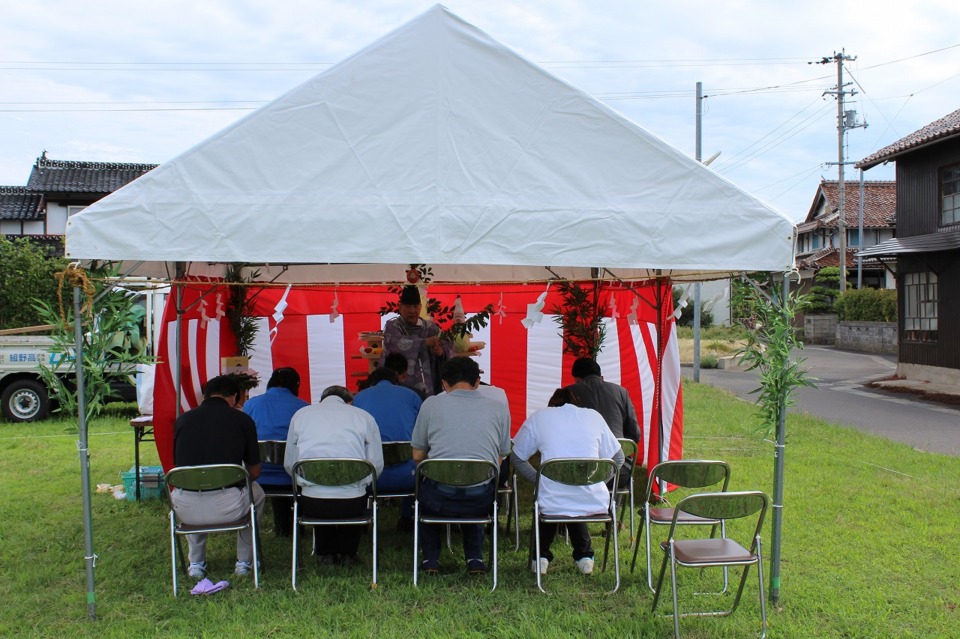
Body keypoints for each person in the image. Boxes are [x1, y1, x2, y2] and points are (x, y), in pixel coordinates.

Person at [411, 357, 511, 575]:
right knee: (476, 479)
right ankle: (475, 559)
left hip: (438, 498)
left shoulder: (431, 404)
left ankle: (430, 559)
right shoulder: (498, 408)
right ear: (477, 382)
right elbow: (501, 454)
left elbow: (418, 455)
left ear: (444, 384)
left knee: (424, 482)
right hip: (481, 499)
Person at [511, 386, 624, 576]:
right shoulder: (593, 416)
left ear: (552, 406)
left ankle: (540, 557)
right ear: (576, 404)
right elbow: (619, 459)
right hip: (593, 501)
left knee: (553, 499)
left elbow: (516, 457)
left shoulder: (540, 417)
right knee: (572, 497)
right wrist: (595, 481)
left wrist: (539, 480)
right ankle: (584, 557)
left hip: (552, 500)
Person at [171, 374, 265, 578]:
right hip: (228, 506)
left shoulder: (182, 420)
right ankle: (244, 561)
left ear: (204, 396)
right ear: (235, 397)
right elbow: (255, 472)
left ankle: (196, 563)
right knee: (257, 494)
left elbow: (180, 467)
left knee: (191, 484)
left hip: (186, 509)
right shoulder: (243, 420)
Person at [284, 385, 384, 567]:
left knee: (319, 491)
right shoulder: (363, 417)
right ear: (348, 402)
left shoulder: (301, 416)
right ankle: (349, 554)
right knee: (353, 492)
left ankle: (326, 554)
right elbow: (376, 465)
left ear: (322, 400)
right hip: (352, 503)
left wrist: (305, 483)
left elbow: (290, 464)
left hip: (313, 503)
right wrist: (361, 482)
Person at [353, 367, 423, 530]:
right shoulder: (411, 395)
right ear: (397, 381)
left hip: (369, 478)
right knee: (418, 458)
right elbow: (422, 432)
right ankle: (408, 516)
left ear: (371, 383)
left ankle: (363, 514)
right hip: (408, 478)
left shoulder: (359, 398)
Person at [242, 367, 309, 537]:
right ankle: (294, 526)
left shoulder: (250, 404)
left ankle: (282, 527)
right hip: (293, 475)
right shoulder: (303, 408)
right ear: (296, 386)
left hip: (258, 474)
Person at [566, 357, 640, 488]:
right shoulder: (621, 392)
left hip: (581, 471)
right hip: (619, 471)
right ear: (601, 376)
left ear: (576, 379)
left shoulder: (569, 393)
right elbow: (635, 434)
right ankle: (612, 505)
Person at [378, 285, 453, 396]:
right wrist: (425, 343)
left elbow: (448, 347)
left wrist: (440, 352)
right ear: (400, 307)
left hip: (429, 386)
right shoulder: (392, 326)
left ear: (420, 307)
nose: (412, 310)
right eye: (408, 306)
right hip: (399, 387)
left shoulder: (430, 327)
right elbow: (396, 343)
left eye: (415, 306)